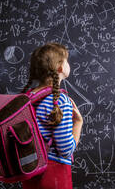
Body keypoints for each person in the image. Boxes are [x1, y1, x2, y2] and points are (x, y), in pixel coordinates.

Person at [21, 43, 83, 189]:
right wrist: (78, 123)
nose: (69, 64)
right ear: (60, 67)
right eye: (66, 60)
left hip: (30, 170)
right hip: (53, 175)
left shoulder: (28, 98)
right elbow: (65, 149)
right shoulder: (59, 101)